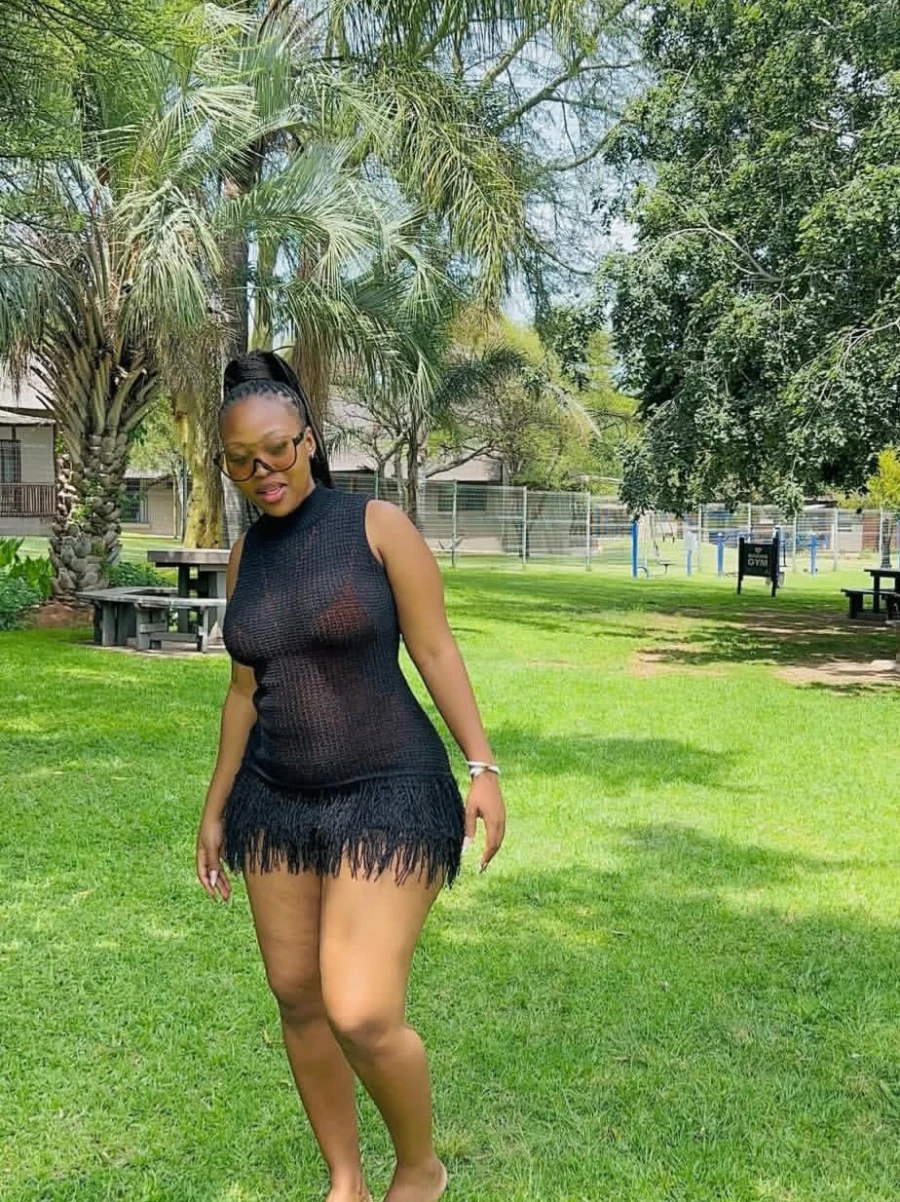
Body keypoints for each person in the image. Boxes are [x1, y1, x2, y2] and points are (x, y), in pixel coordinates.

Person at [196, 350, 506, 1202]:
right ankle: (346, 1180)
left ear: (309, 439)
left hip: (389, 790)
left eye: (278, 449)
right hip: (275, 800)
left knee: (361, 1010)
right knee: (297, 996)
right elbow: (244, 689)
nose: (264, 471)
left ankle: (421, 1167)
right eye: (241, 461)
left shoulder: (377, 526)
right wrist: (216, 807)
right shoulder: (245, 556)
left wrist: (481, 764)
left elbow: (434, 648)